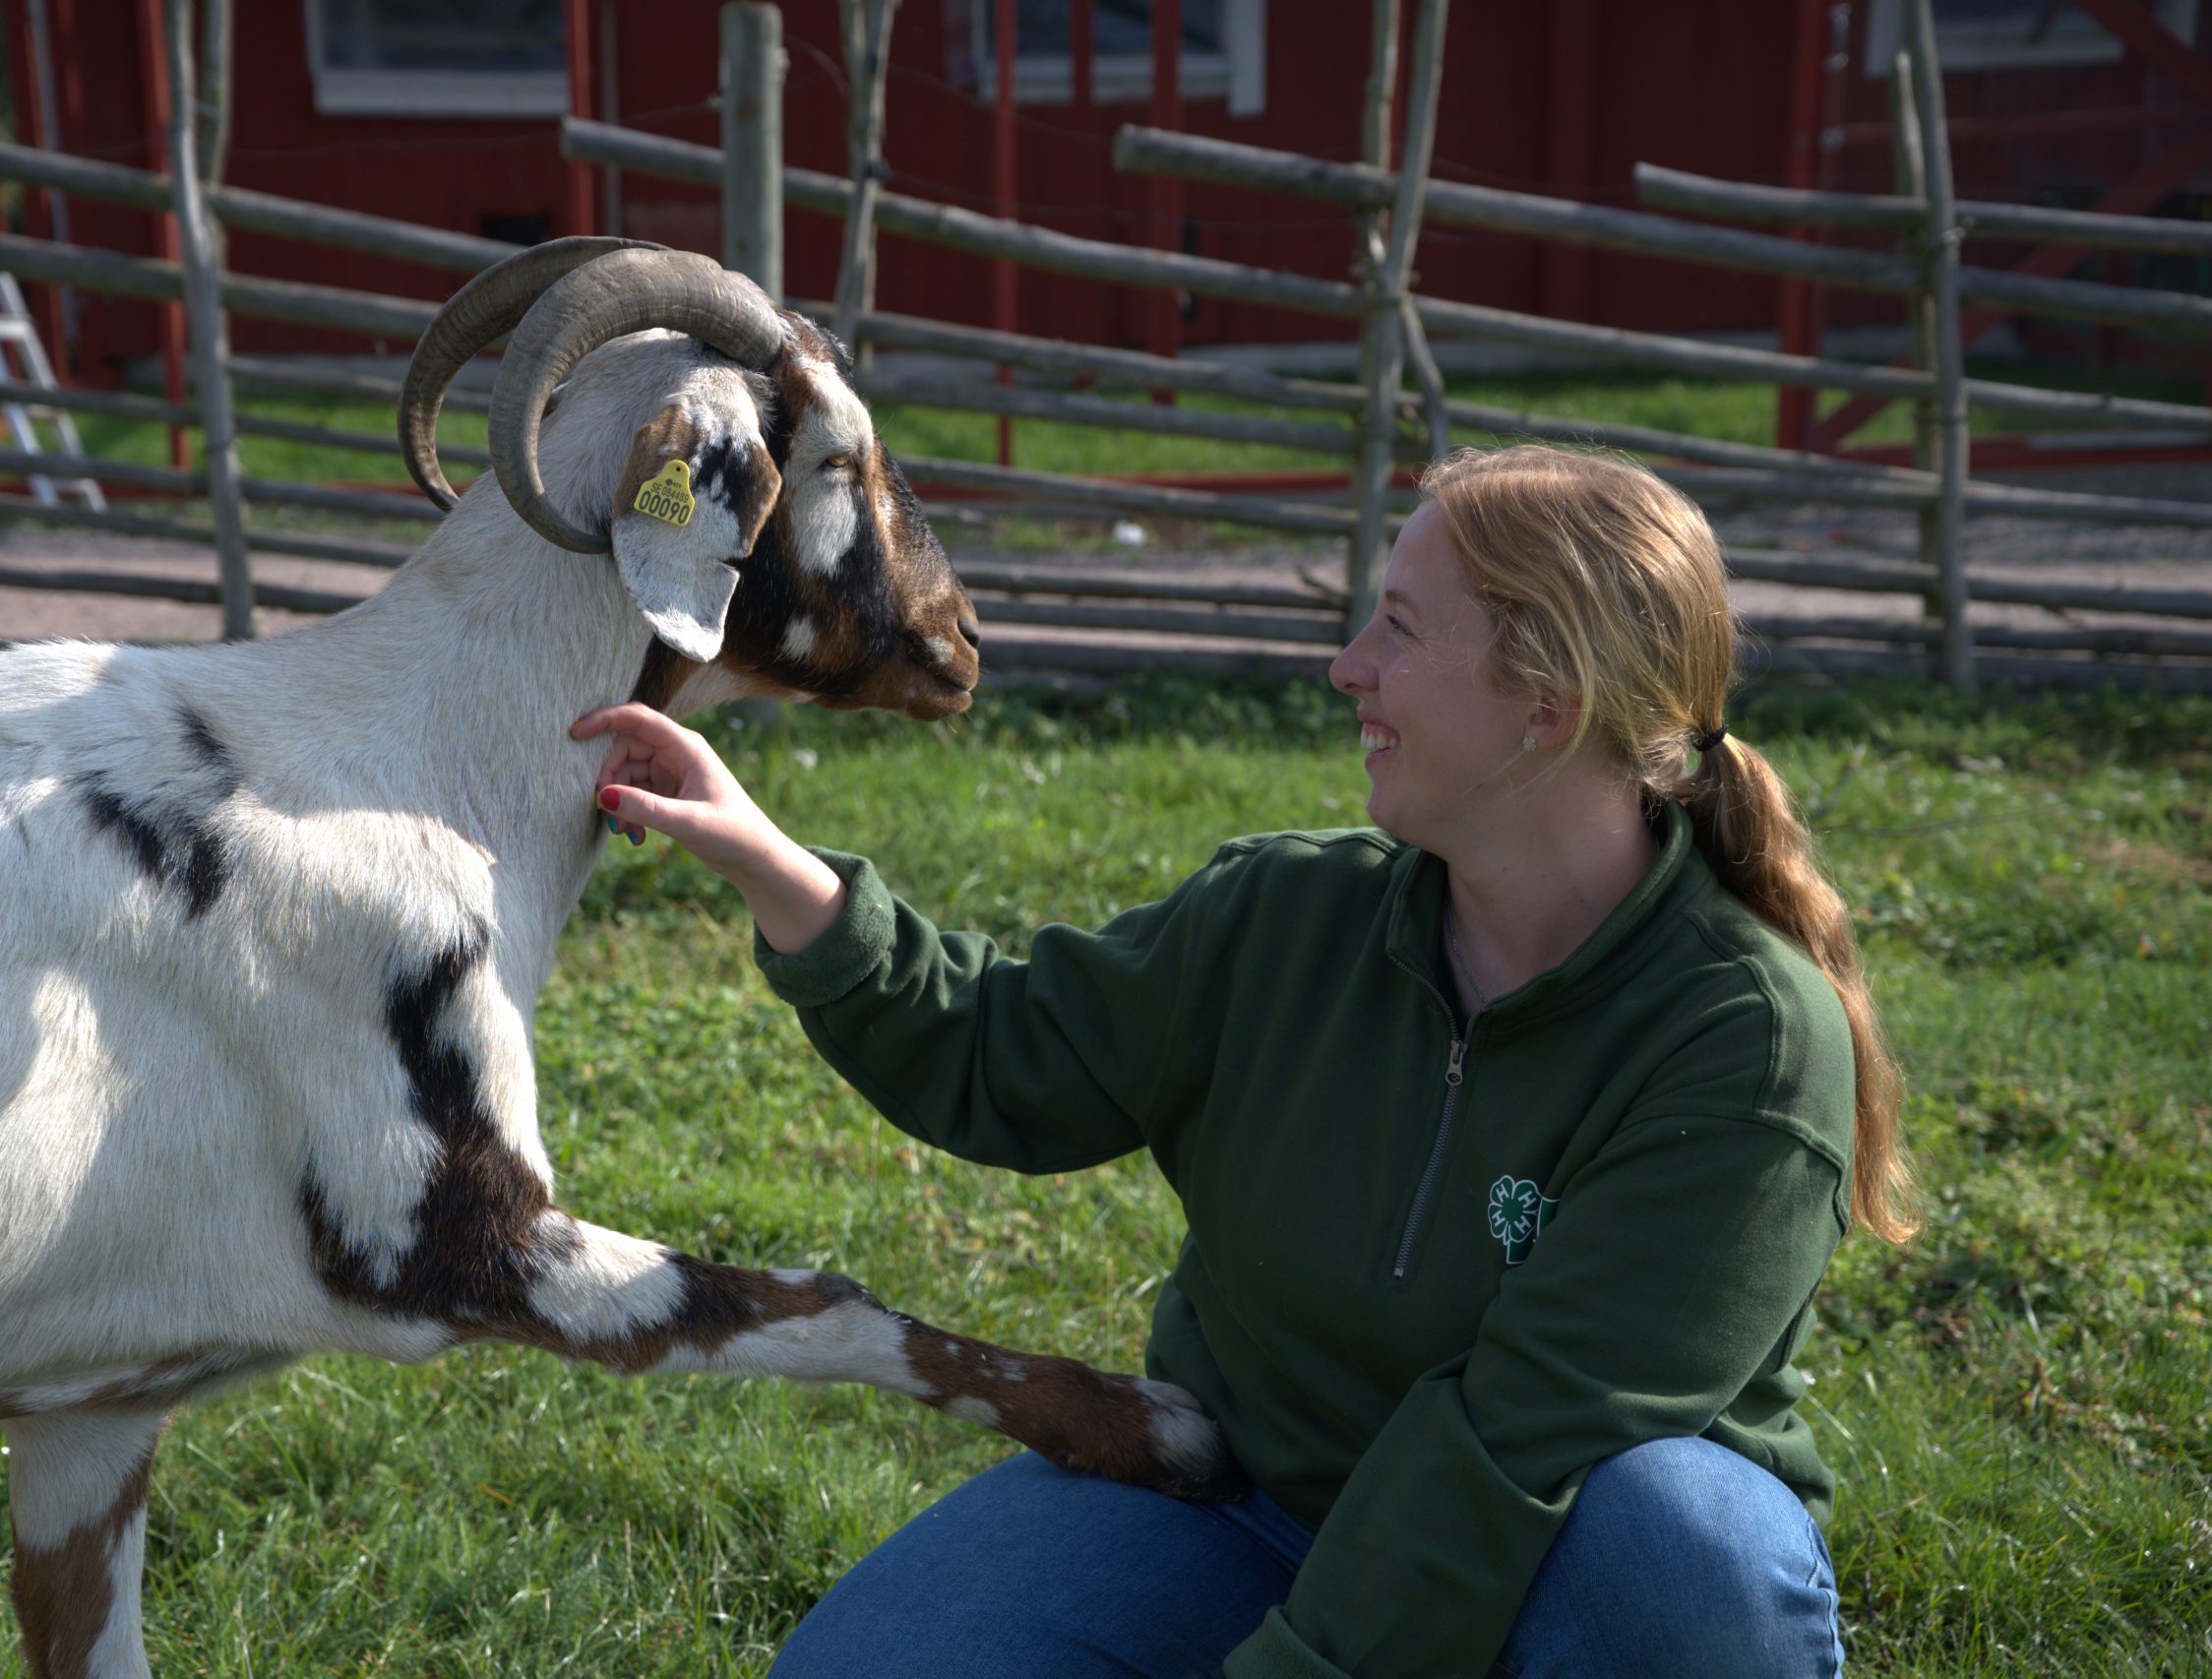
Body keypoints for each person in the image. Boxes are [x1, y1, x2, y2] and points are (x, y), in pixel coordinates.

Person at [570, 444, 1912, 1678]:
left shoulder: (1741, 1041)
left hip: (1559, 1559)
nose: (1348, 665)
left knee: (1690, 1544)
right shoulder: (1287, 916)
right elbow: (1009, 1051)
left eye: (1400, 625)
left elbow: (1520, 1439)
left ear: (1544, 708)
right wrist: (775, 866)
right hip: (1251, 1503)